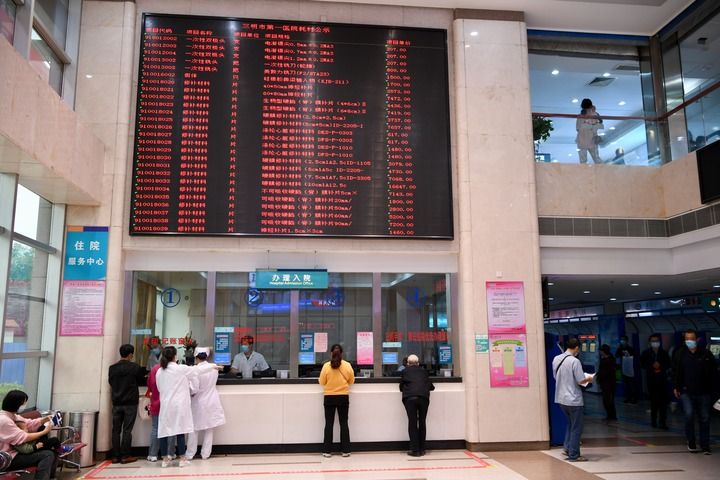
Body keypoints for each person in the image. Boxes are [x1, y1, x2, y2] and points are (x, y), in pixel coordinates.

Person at [673, 329, 717, 454]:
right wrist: (676, 387)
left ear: (696, 339)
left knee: (705, 418)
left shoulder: (706, 354)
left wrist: (714, 391)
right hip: (686, 391)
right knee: (689, 415)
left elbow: (713, 373)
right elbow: (676, 371)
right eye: (687, 339)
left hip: (704, 391)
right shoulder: (680, 354)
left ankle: (705, 445)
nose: (689, 341)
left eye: (691, 339)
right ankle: (691, 441)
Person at [552, 338, 594, 462]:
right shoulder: (575, 361)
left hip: (561, 398)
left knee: (570, 424)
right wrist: (589, 379)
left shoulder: (556, 359)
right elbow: (580, 380)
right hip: (574, 399)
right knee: (577, 427)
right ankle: (574, 454)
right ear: (576, 348)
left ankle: (567, 447)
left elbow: (555, 376)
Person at [156, 346, 199, 467]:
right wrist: (213, 366)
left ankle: (165, 459)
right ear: (175, 356)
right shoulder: (180, 368)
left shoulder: (160, 371)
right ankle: (182, 458)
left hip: (166, 405)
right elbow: (197, 370)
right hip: (179, 405)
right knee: (180, 430)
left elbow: (159, 388)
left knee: (164, 431)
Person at [0, 390, 56, 480]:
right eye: (23, 403)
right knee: (47, 455)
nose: (24, 405)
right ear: (16, 404)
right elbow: (23, 437)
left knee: (51, 448)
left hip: (17, 452)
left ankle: (50, 477)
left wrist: (44, 419)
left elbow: (29, 423)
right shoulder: (4, 420)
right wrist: (44, 432)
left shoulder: (13, 416)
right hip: (7, 458)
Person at [108, 344, 146, 464]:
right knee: (127, 430)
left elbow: (111, 382)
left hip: (116, 402)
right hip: (130, 403)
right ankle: (125, 456)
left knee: (116, 430)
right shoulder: (134, 367)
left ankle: (115, 456)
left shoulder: (112, 368)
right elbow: (141, 380)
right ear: (130, 354)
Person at [186, 347, 226, 460]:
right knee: (209, 429)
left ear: (196, 357)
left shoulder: (195, 370)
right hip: (212, 400)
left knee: (194, 429)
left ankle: (190, 454)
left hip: (198, 401)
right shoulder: (214, 368)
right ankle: (205, 454)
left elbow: (194, 389)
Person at [319, 344, 355, 458]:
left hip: (329, 397)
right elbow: (351, 381)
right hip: (343, 396)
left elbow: (322, 382)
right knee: (344, 423)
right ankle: (346, 450)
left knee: (329, 424)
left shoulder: (326, 366)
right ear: (342, 353)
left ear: (331, 353)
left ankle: (327, 451)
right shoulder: (347, 365)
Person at [399, 354, 435, 457]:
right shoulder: (424, 371)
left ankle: (415, 450)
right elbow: (431, 386)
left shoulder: (404, 371)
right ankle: (422, 449)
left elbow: (401, 387)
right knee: (422, 422)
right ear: (418, 363)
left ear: (408, 363)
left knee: (412, 423)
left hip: (410, 398)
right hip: (423, 398)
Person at [145, 360, 176, 462]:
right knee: (171, 428)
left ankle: (153, 454)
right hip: (170, 403)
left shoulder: (154, 369)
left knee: (155, 428)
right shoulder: (174, 368)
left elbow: (149, 385)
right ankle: (170, 453)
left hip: (156, 403)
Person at [640, 334, 671, 429]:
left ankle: (662, 422)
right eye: (653, 341)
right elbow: (642, 364)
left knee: (663, 403)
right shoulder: (646, 353)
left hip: (662, 380)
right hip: (651, 380)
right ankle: (653, 421)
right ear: (650, 343)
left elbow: (668, 364)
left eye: (656, 341)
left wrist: (660, 365)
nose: (655, 343)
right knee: (654, 402)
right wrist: (651, 365)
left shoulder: (663, 353)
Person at [576, 98, 603, 164]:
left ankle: (585, 171)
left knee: (583, 161)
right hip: (591, 138)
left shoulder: (580, 116)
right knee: (597, 159)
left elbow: (578, 128)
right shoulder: (595, 114)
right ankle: (603, 170)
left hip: (582, 139)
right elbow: (600, 123)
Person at [596, 344, 617, 421]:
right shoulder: (604, 359)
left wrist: (600, 376)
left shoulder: (609, 360)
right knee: (606, 400)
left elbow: (607, 372)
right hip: (604, 383)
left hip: (609, 383)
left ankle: (612, 416)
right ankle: (609, 415)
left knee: (608, 400)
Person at [615, 335, 637, 404]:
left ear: (627, 341)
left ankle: (634, 398)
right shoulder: (620, 349)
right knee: (626, 384)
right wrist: (618, 348)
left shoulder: (630, 348)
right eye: (621, 340)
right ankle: (628, 398)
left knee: (632, 384)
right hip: (624, 367)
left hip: (630, 367)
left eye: (624, 340)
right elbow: (616, 355)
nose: (622, 341)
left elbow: (635, 356)